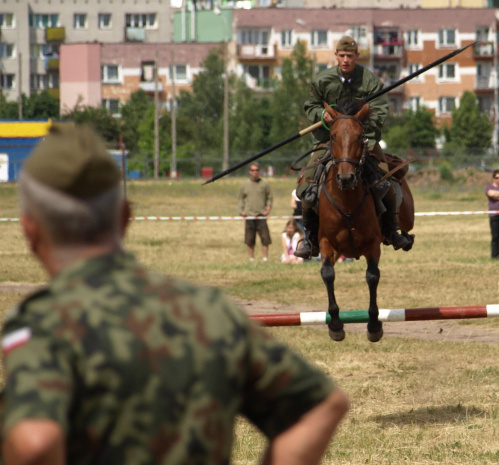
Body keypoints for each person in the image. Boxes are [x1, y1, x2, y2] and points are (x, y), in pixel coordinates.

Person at [0, 125, 349, 465]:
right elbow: (319, 406)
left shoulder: (40, 324)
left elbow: (35, 444)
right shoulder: (210, 311)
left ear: (30, 229)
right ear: (125, 217)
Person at [294, 35, 410, 259]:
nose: (346, 59)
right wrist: (321, 114)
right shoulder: (323, 80)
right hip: (328, 140)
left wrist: (359, 130)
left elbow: (379, 108)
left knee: (385, 182)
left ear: (357, 56)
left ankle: (392, 230)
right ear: (336, 56)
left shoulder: (369, 80)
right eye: (342, 55)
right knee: (307, 186)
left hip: (363, 141)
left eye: (350, 56)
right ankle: (309, 239)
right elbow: (310, 105)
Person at [238, 162, 273, 262]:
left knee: (265, 238)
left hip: (261, 215)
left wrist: (268, 208)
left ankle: (265, 258)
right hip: (249, 215)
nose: (255, 172)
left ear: (259, 171)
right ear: (249, 171)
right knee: (249, 239)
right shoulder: (245, 184)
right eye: (252, 170)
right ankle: (251, 258)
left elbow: (270, 197)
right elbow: (240, 199)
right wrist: (241, 211)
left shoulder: (265, 184)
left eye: (256, 170)